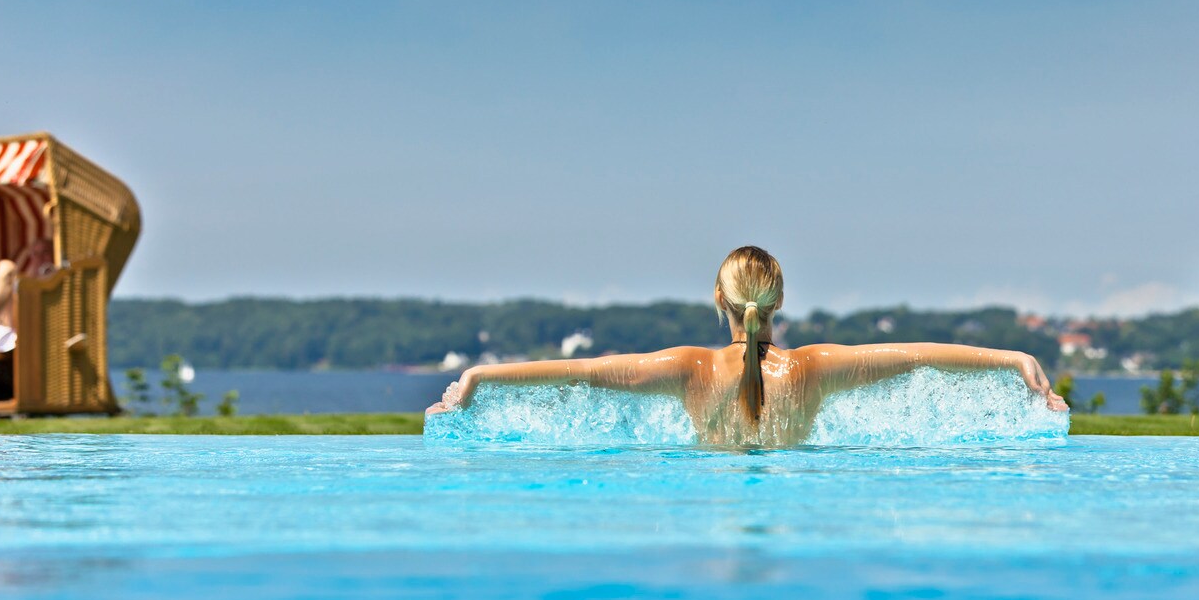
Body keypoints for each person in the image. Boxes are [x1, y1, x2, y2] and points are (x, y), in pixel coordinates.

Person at [427, 245, 1068, 446]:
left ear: (718, 301)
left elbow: (584, 373)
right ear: (779, 304)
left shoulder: (686, 369)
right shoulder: (814, 367)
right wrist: (1016, 361)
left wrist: (482, 376)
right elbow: (921, 354)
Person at [0, 239, 56, 354]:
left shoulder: (58, 280)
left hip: (32, 330)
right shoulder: (23, 280)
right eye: (35, 254)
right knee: (5, 268)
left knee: (6, 267)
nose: (40, 257)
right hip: (9, 323)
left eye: (45, 252)